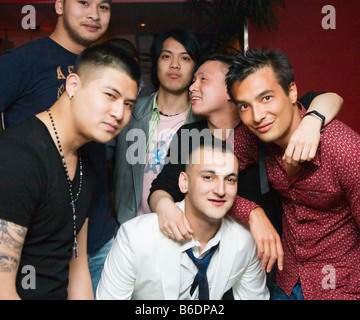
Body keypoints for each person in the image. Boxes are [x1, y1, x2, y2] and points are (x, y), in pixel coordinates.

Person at [148, 53, 343, 278]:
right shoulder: (192, 135)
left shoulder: (265, 125)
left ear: (232, 90)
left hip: (268, 257)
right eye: (194, 80)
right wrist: (164, 207)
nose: (192, 87)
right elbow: (164, 187)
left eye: (203, 79)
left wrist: (312, 120)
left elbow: (330, 98)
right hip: (204, 253)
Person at [0, 43, 141, 300]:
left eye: (129, 104)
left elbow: (78, 270)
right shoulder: (17, 156)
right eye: (110, 95)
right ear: (73, 85)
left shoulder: (85, 162)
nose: (119, 113)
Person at [226, 48, 360, 300]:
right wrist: (253, 214)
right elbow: (206, 176)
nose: (257, 116)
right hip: (285, 282)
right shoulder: (251, 136)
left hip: (341, 287)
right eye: (245, 105)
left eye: (266, 98)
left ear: (291, 92)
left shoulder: (343, 148)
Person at [97, 141, 269, 300]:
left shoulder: (245, 241)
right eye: (208, 177)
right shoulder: (135, 238)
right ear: (184, 182)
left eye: (230, 180)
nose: (221, 190)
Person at [109, 28, 201, 226]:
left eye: (185, 58)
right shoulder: (129, 112)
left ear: (195, 68)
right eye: (166, 56)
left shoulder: (204, 123)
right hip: (130, 229)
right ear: (156, 63)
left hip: (183, 232)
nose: (174, 65)